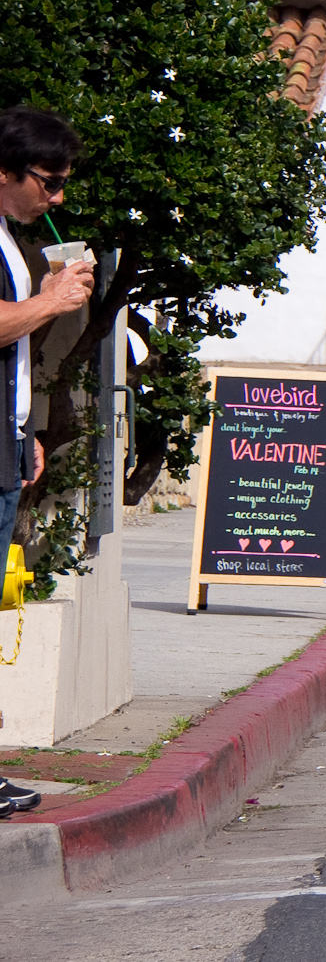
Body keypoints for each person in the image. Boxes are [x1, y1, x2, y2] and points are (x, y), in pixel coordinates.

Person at [0, 108, 92, 819]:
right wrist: (50, 299)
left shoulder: (12, 238)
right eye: (48, 181)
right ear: (5, 170)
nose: (56, 197)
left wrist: (23, 426)